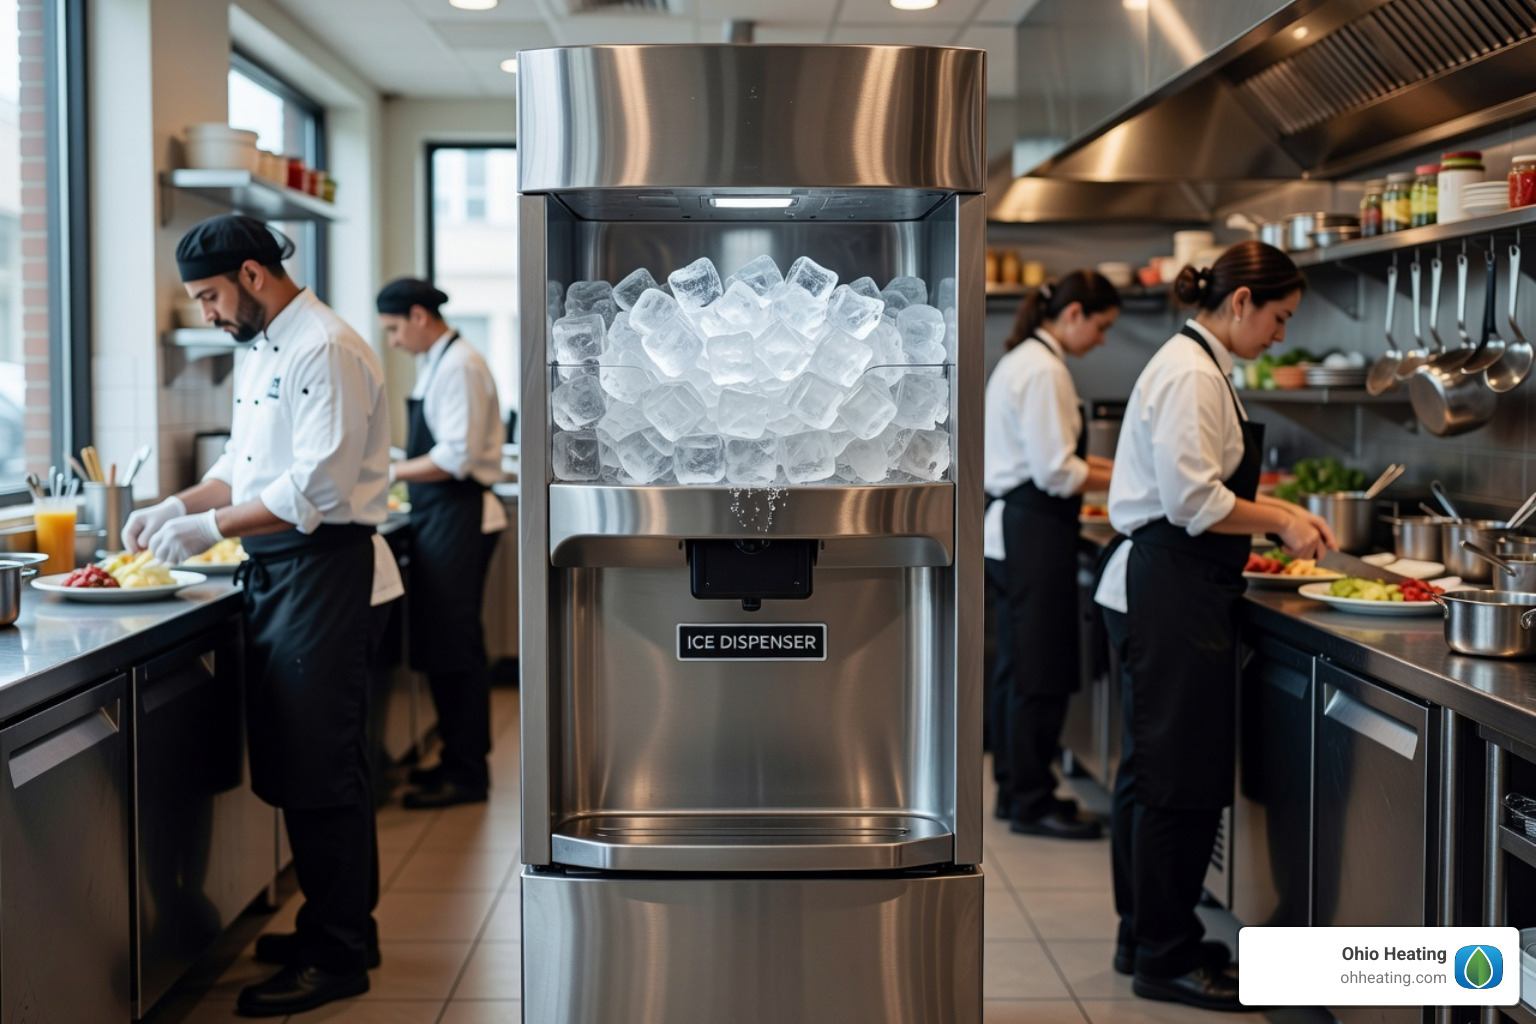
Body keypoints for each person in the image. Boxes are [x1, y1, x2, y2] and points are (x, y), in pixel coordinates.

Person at [125, 214, 393, 1017]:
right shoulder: (262, 347)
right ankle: (339, 927)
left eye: (209, 296)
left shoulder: (325, 346)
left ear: (250, 275)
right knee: (306, 764)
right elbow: (242, 469)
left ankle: (338, 953)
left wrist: (206, 529)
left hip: (327, 575)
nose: (206, 314)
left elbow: (312, 490)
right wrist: (174, 504)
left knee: (320, 772)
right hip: (282, 575)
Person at [1092, 241, 1334, 1011]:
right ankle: (1164, 955)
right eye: (1279, 318)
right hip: (1173, 588)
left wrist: (1274, 519)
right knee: (1180, 781)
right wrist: (1285, 521)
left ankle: (1149, 935)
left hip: (1176, 586)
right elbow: (1196, 501)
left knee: (1154, 777)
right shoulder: (1193, 373)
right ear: (1240, 304)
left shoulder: (1198, 365)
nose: (1281, 336)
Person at [984, 270, 1119, 840]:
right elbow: (1058, 472)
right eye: (1102, 326)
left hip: (1017, 529)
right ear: (1073, 315)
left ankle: (1020, 791)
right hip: (1031, 529)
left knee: (1019, 668)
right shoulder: (1044, 370)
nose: (1103, 340)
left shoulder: (1024, 361)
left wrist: (1122, 473)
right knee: (1036, 671)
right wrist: (1130, 476)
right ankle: (1030, 799)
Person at [377, 278, 506, 809]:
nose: (392, 340)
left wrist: (384, 472)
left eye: (393, 329)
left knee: (456, 648)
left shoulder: (459, 366)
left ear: (418, 316)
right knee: (445, 645)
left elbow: (454, 457)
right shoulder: (440, 361)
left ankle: (468, 774)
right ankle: (457, 760)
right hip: (440, 515)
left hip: (461, 513)